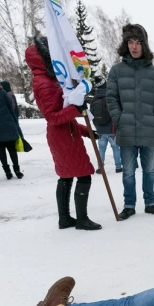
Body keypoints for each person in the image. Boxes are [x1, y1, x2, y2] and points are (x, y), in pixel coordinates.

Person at [25, 35, 101, 231]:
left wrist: (86, 131)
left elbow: (63, 117)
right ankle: (81, 220)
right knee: (84, 175)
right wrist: (77, 108)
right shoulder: (43, 83)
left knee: (66, 176)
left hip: (65, 134)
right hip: (63, 138)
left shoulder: (50, 80)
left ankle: (65, 219)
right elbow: (53, 117)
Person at [107, 24, 154, 220]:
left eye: (138, 42)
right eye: (130, 42)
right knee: (128, 172)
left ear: (144, 46)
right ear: (126, 45)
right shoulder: (116, 71)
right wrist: (119, 118)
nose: (134, 47)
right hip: (126, 130)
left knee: (149, 170)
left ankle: (150, 203)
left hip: (149, 129)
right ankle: (129, 205)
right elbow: (111, 99)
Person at [90, 76, 122, 174]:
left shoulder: (95, 98)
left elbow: (91, 114)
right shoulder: (111, 96)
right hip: (112, 129)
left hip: (100, 129)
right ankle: (118, 167)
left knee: (101, 149)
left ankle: (100, 167)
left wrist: (97, 126)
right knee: (116, 148)